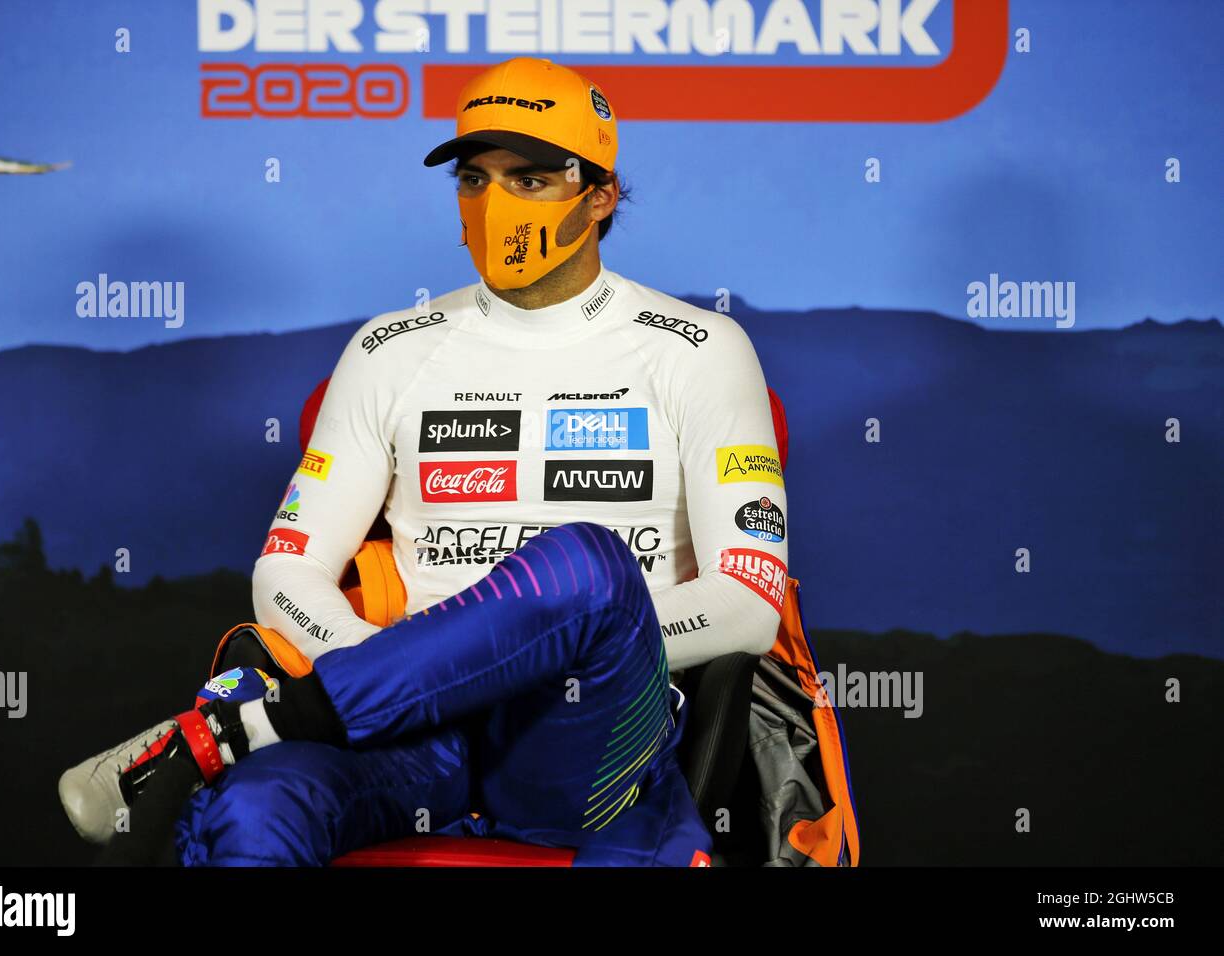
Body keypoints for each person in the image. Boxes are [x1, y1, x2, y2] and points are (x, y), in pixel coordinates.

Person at [58, 56, 789, 867]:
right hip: (409, 722)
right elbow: (287, 573)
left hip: (586, 727)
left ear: (601, 194)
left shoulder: (701, 348)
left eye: (531, 179)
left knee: (587, 565)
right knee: (256, 810)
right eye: (474, 179)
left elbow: (748, 602)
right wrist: (402, 677)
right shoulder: (387, 348)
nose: (494, 204)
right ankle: (254, 744)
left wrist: (536, 648)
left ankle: (240, 728)